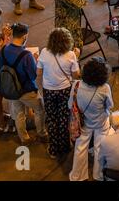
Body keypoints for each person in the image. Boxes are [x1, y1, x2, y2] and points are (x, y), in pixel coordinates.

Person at [0, 23, 48, 145]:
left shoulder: (4, 49)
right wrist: (35, 61)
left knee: (19, 114)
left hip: (12, 90)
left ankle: (24, 138)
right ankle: (42, 133)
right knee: (39, 110)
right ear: (25, 36)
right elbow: (33, 75)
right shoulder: (26, 55)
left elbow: (2, 67)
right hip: (27, 90)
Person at [37, 28, 81, 159]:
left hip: (48, 90)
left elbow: (38, 73)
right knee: (63, 118)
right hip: (65, 90)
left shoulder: (44, 52)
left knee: (51, 118)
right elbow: (76, 75)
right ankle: (64, 146)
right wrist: (76, 58)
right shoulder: (71, 55)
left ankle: (53, 149)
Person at [69, 57, 114, 181]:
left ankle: (78, 176)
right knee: (100, 148)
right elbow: (110, 106)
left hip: (83, 123)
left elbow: (70, 105)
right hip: (100, 123)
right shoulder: (104, 88)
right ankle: (98, 175)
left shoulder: (76, 85)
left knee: (80, 147)